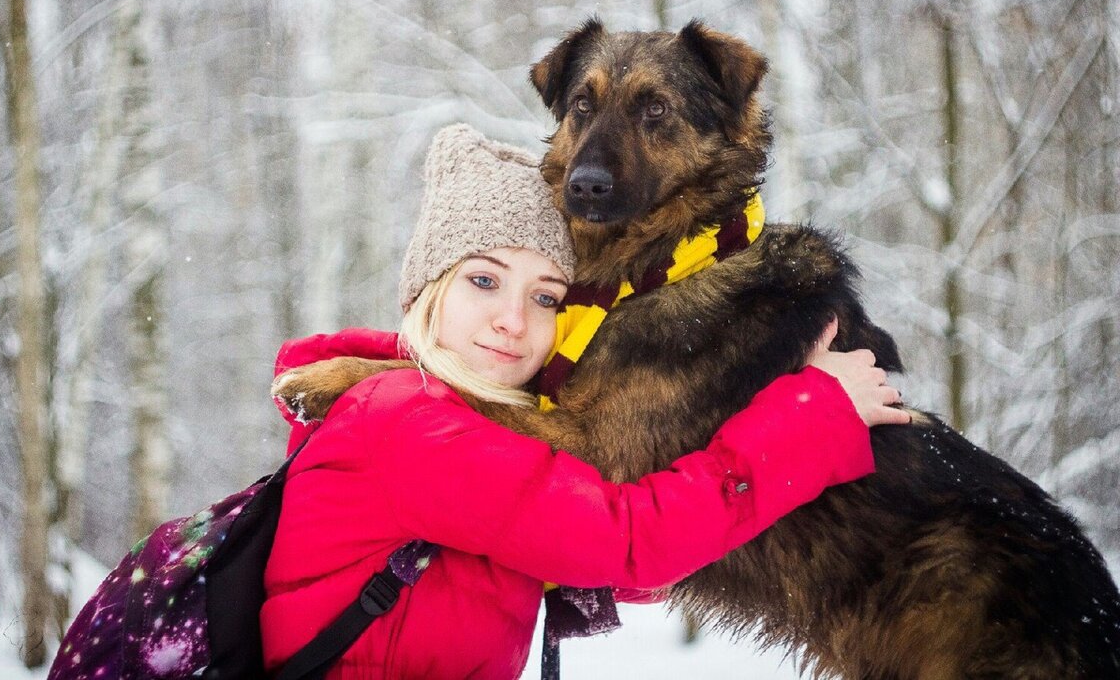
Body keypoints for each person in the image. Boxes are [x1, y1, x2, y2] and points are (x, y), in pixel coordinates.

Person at [260, 124, 907, 679]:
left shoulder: (438, 414)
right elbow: (626, 540)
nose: (512, 319)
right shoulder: (410, 424)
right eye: (483, 280)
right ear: (426, 290)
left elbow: (617, 569)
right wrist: (815, 412)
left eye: (546, 297)